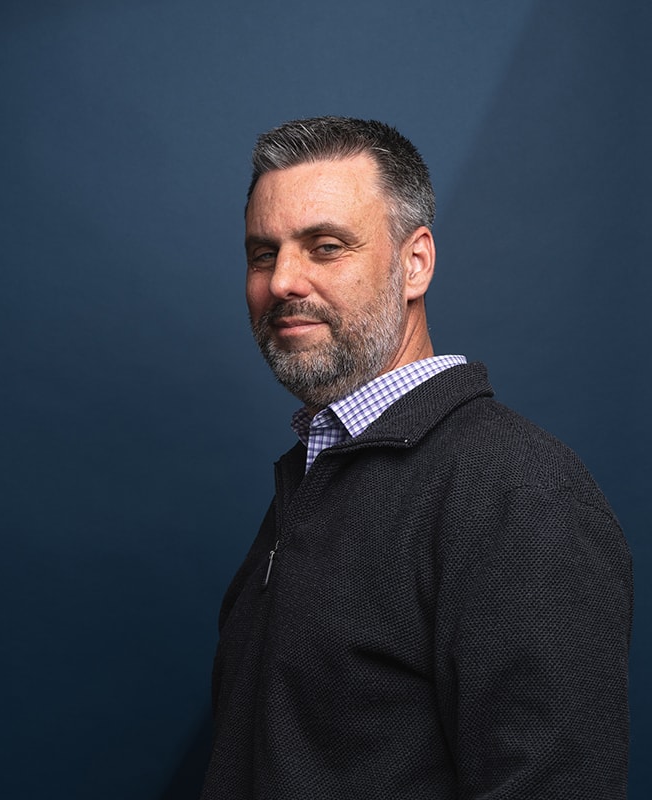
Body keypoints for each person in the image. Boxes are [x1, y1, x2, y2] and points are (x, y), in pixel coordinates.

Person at [200, 116, 632, 799]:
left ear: (415, 263)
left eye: (326, 246)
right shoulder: (311, 482)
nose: (282, 280)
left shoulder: (520, 498)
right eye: (263, 253)